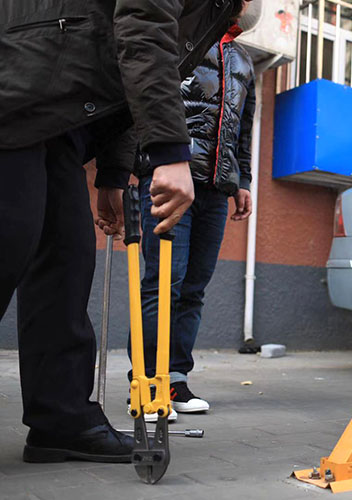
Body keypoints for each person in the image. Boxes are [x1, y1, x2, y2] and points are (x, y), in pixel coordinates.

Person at [0, 0, 250, 463]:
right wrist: (170, 149)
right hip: (21, 81)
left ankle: (61, 419)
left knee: (68, 258)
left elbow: (132, 75)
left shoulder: (222, 14)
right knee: (10, 236)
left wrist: (113, 174)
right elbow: (141, 30)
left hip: (63, 116)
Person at [130, 17, 255, 420]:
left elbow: (243, 129)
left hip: (216, 188)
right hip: (169, 175)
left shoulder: (243, 60)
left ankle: (175, 379)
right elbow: (146, 93)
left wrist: (243, 180)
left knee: (193, 288)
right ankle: (148, 381)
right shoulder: (181, 34)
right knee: (163, 282)